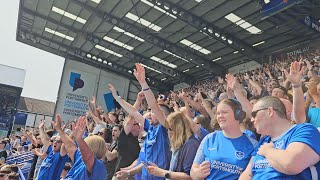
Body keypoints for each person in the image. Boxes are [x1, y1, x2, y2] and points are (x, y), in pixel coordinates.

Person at [239, 96, 320, 179]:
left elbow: (292, 164)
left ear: (270, 111)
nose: (252, 119)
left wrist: (268, 151)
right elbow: (247, 174)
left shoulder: (304, 130)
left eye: (254, 114)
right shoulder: (264, 141)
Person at [190, 99, 257, 180]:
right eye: (218, 113)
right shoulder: (209, 138)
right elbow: (193, 171)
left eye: (224, 112)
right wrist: (197, 174)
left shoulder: (252, 145)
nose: (220, 116)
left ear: (238, 115)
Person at [146, 112, 200, 179]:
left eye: (171, 129)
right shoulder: (179, 144)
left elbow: (189, 176)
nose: (168, 132)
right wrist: (158, 171)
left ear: (179, 129)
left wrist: (162, 172)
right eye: (168, 129)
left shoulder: (191, 144)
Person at [51, 115, 107, 179]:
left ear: (90, 148)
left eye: (85, 144)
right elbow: (70, 146)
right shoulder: (80, 159)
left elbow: (88, 158)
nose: (79, 147)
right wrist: (59, 130)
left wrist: (79, 139)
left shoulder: (99, 166)